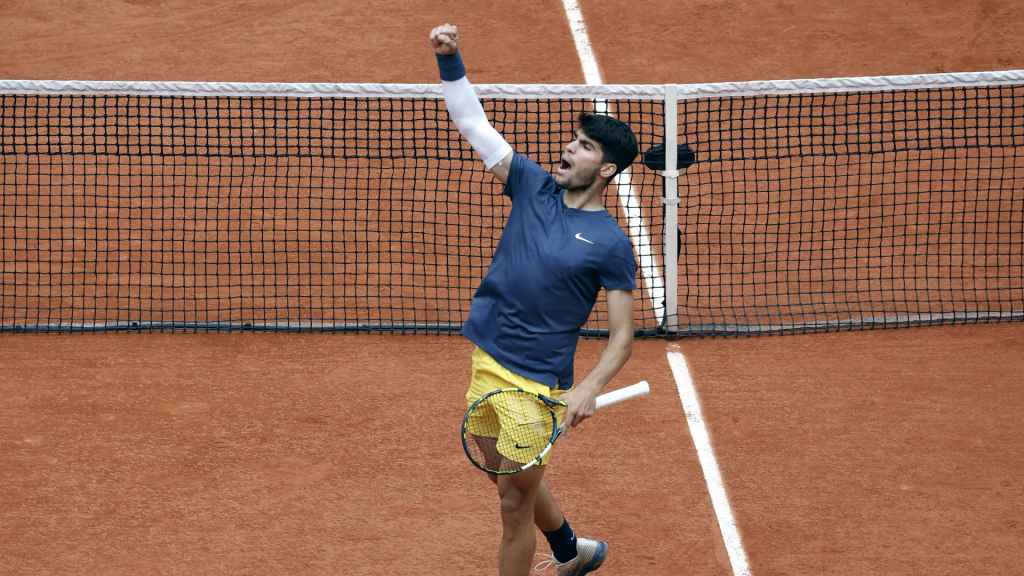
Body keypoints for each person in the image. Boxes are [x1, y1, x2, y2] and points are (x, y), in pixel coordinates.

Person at [429, 23, 637, 576]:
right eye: (574, 140)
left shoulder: (612, 244)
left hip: (536, 384)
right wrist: (450, 58)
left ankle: (562, 555)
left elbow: (622, 336)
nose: (569, 148)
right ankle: (573, 549)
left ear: (607, 169)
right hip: (487, 361)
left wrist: (589, 388)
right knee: (508, 477)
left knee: (512, 505)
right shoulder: (531, 185)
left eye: (585, 146)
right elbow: (472, 121)